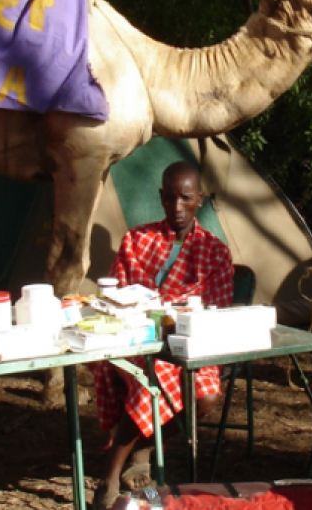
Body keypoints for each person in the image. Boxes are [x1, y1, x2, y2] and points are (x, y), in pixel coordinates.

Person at [88, 161, 234, 510]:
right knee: (153, 375)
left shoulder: (215, 252)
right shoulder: (137, 240)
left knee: (206, 397)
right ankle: (112, 475)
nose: (177, 208)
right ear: (160, 197)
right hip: (137, 342)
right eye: (169, 199)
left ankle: (140, 447)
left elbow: (215, 313)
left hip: (191, 345)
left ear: (200, 198)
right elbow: (116, 297)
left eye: (185, 198)